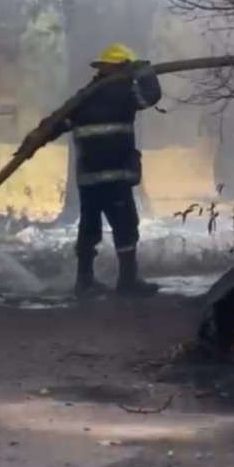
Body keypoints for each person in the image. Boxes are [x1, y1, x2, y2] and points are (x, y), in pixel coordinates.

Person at [46, 43, 163, 297]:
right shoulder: (124, 94)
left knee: (89, 227)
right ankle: (128, 281)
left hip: (88, 178)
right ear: (123, 67)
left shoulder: (83, 97)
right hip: (115, 175)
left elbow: (56, 124)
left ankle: (84, 281)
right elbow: (151, 95)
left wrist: (35, 139)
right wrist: (144, 70)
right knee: (125, 226)